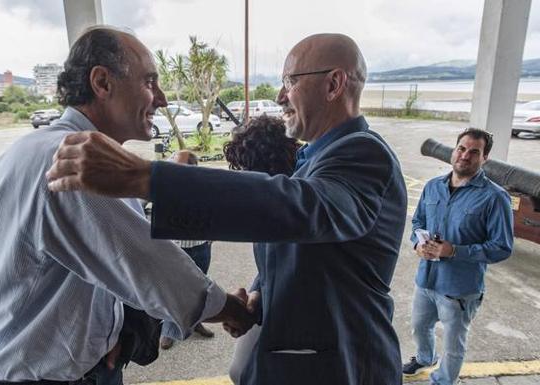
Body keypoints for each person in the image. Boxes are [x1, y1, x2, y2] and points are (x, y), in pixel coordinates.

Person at [47, 33, 408, 385]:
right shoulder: (315, 157)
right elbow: (302, 245)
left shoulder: (362, 154)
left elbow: (303, 209)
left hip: (338, 369)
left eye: (290, 81)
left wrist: (147, 178)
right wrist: (259, 294)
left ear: (333, 84)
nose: (281, 95)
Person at [0, 27, 253, 385]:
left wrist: (110, 331)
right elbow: (153, 269)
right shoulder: (74, 164)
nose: (161, 99)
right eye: (149, 82)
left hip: (27, 368)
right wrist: (232, 310)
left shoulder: (23, 151)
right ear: (102, 83)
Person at [402, 128, 513, 385]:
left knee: (453, 345)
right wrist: (417, 245)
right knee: (420, 327)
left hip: (459, 289)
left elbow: (502, 247)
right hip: (426, 280)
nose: (465, 155)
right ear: (454, 151)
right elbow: (418, 221)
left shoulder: (495, 197)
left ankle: (442, 381)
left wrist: (454, 251)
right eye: (461, 148)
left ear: (484, 158)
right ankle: (424, 357)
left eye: (474, 152)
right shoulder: (432, 187)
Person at [222, 115, 300, 384]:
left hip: (299, 320)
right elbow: (269, 264)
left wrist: (251, 308)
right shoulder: (265, 204)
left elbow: (296, 273)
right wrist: (256, 292)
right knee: (239, 371)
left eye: (244, 169)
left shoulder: (296, 205)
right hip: (269, 299)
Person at [159, 150, 215, 350]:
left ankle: (195, 322)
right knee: (172, 290)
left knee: (200, 290)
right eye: (171, 161)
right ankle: (168, 330)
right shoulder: (164, 187)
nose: (172, 165)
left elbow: (216, 212)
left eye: (178, 163)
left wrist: (211, 237)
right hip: (173, 249)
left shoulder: (203, 188)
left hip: (200, 248)